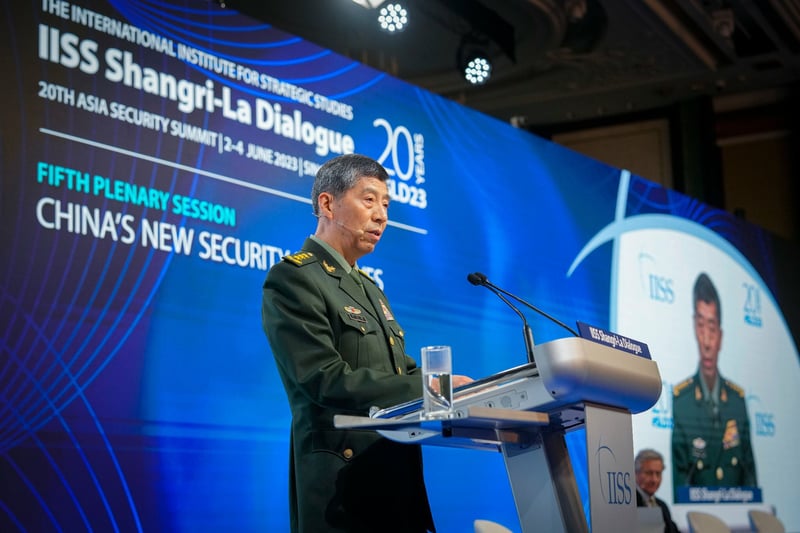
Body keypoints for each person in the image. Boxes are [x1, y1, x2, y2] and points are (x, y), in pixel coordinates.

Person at [262, 153, 471, 532]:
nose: (382, 216)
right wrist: (432, 388)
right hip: (343, 489)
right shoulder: (295, 278)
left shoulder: (369, 288)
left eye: (386, 205)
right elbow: (322, 379)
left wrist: (465, 389)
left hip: (394, 480)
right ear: (328, 204)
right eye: (369, 199)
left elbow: (398, 371)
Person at [671, 272, 757, 498]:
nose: (707, 341)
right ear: (693, 328)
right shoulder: (682, 402)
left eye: (712, 327)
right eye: (701, 326)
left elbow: (749, 474)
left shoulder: (737, 402)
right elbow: (680, 482)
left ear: (721, 335)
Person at [635, 449, 679, 533]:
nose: (654, 479)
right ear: (635, 473)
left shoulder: (662, 506)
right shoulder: (629, 506)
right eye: (649, 473)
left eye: (658, 474)